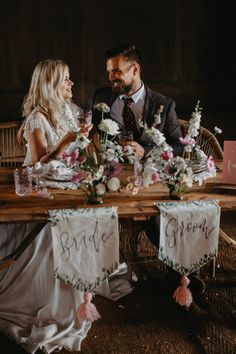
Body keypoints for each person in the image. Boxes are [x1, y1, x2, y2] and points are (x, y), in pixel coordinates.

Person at [92, 44, 206, 298]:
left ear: (135, 69)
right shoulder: (102, 98)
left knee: (161, 215)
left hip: (152, 178)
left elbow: (178, 145)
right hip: (115, 180)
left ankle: (185, 273)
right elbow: (92, 136)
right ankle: (185, 273)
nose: (111, 78)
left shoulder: (163, 103)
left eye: (117, 71)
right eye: (109, 72)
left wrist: (146, 153)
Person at [19, 59, 90, 166]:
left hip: (65, 176)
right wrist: (66, 141)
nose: (71, 82)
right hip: (42, 180)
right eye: (66, 79)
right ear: (51, 84)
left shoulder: (66, 110)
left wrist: (81, 136)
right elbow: (38, 166)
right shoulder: (36, 119)